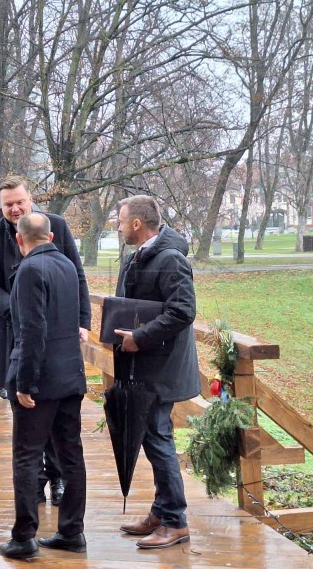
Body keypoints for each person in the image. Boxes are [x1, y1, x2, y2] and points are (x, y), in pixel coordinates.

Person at [0, 175, 91, 506]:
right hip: (12, 335)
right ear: (0, 206)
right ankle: (34, 483)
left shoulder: (54, 226)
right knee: (27, 416)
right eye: (8, 204)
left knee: (58, 417)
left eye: (20, 202)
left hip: (55, 337)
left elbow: (75, 274)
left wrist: (82, 320)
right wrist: (21, 308)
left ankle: (56, 478)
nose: (15, 208)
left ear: (31, 199)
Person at [0, 214, 88, 560]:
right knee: (71, 455)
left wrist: (25, 382)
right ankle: (72, 531)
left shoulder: (29, 271)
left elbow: (32, 331)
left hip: (41, 381)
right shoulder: (66, 264)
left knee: (27, 455)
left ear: (20, 241)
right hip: (71, 377)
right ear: (50, 235)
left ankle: (24, 537)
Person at [113, 195, 200, 549]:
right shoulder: (139, 255)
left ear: (137, 224)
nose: (117, 228)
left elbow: (183, 310)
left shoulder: (170, 259)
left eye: (120, 221)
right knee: (152, 439)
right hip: (144, 365)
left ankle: (175, 521)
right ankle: (161, 511)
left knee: (159, 440)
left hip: (161, 368)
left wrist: (140, 337)